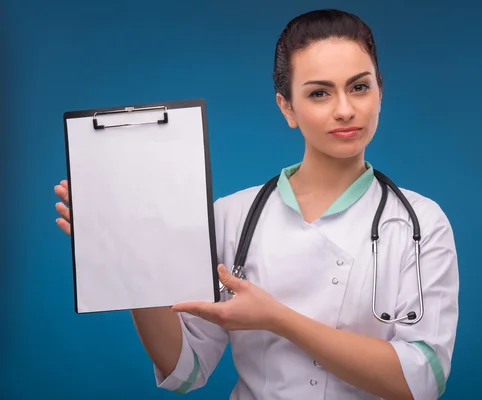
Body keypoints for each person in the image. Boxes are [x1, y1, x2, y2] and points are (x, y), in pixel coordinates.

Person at [54, 8, 459, 400]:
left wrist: (277, 318)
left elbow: (421, 381)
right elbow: (186, 371)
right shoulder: (231, 217)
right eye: (319, 92)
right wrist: (134, 267)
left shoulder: (418, 223)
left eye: (359, 86)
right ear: (288, 108)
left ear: (379, 91)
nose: (345, 109)